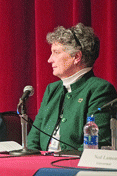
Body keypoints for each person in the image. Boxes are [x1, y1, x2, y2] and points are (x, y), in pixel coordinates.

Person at [27, 23, 117, 151]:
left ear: (76, 57)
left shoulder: (100, 89)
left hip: (73, 167)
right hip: (42, 164)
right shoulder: (52, 89)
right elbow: (33, 138)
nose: (49, 59)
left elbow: (97, 143)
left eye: (56, 53)